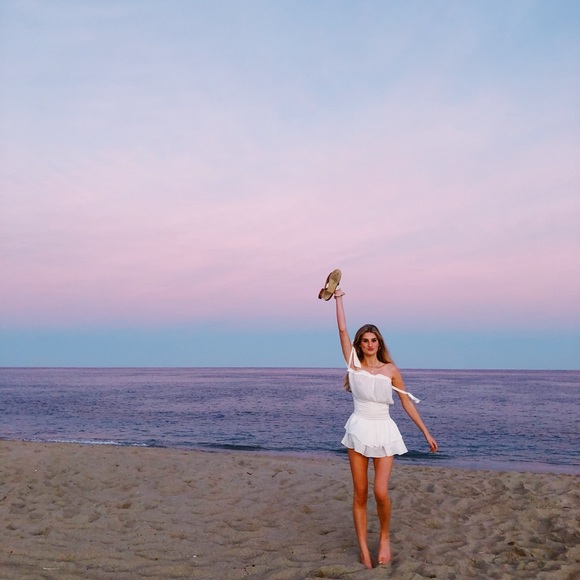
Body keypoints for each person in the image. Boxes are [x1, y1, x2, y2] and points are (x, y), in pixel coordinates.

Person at [332, 286, 438, 569]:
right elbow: (342, 331)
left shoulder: (390, 370)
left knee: (380, 492)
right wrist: (338, 299)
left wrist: (425, 432)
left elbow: (406, 402)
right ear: (359, 344)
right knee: (360, 493)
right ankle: (364, 551)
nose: (370, 344)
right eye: (365, 340)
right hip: (358, 429)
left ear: (379, 344)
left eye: (374, 340)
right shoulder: (354, 365)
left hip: (384, 430)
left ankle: (384, 538)